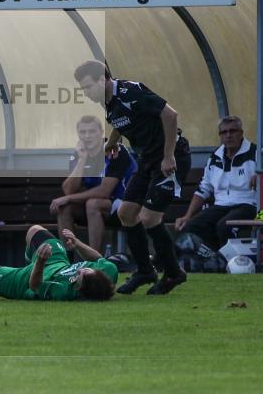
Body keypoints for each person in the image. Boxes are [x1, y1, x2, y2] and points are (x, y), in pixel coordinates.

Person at [75, 59, 189, 295]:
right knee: (126, 213)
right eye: (82, 89)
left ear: (103, 79)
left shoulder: (131, 91)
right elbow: (120, 122)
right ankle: (146, 271)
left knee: (149, 218)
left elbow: (170, 116)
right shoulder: (108, 102)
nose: (86, 93)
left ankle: (173, 273)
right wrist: (111, 144)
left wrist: (168, 156)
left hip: (169, 157)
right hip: (147, 161)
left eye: (88, 87)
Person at [52, 115, 136, 252]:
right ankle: (67, 263)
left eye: (92, 131)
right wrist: (82, 160)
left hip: (124, 206)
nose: (87, 136)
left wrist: (68, 198)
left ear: (101, 132)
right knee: (64, 207)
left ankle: (95, 261)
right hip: (95, 210)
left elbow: (104, 191)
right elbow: (68, 189)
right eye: (83, 132)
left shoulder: (115, 150)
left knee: (93, 203)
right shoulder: (79, 153)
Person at [175, 115, 257, 249]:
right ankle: (214, 259)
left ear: (241, 133)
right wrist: (187, 216)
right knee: (191, 226)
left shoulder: (255, 153)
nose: (228, 135)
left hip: (246, 204)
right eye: (224, 132)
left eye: (233, 131)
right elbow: (203, 189)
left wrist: (260, 175)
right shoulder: (215, 157)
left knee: (224, 225)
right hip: (220, 205)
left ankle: (229, 262)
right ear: (220, 136)